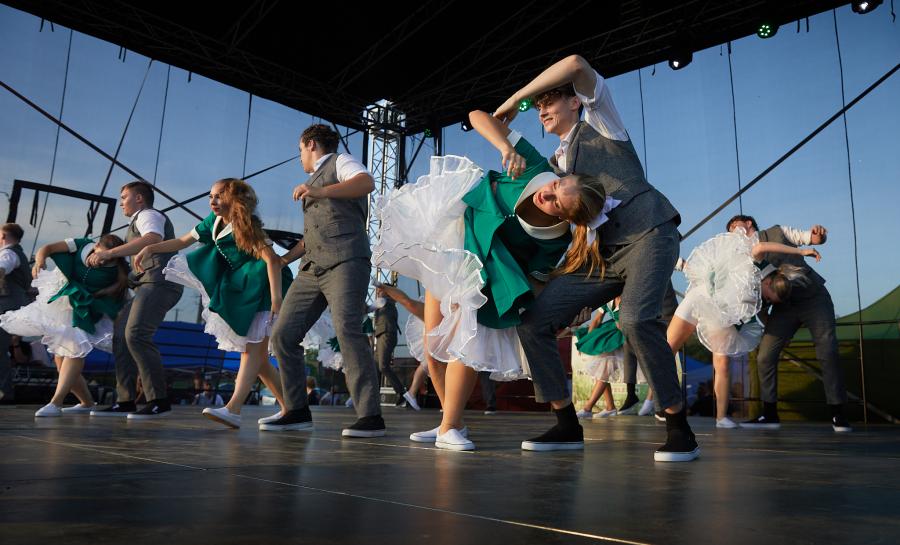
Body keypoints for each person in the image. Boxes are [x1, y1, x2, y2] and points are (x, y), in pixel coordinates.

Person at [494, 54, 696, 461]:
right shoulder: (555, 166)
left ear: (575, 102)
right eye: (538, 107)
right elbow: (485, 120)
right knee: (533, 321)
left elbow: (574, 63)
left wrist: (519, 97)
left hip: (647, 234)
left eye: (550, 102)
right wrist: (504, 140)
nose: (542, 111)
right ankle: (566, 424)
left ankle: (679, 426)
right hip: (602, 255)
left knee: (635, 319)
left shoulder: (602, 124)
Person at [374, 108, 612, 451]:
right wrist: (505, 146)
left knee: (466, 342)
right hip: (456, 240)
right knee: (433, 348)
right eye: (557, 186)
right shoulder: (536, 168)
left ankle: (449, 427)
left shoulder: (556, 239)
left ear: (566, 218)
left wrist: (561, 309)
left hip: (486, 271)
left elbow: (535, 278)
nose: (548, 194)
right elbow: (475, 116)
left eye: (557, 203)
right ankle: (450, 420)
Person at [136, 178, 294, 429]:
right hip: (244, 288)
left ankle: (233, 409)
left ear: (234, 198)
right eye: (211, 196)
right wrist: (151, 248)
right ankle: (293, 409)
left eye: (219, 195)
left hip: (264, 286)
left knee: (251, 351)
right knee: (259, 361)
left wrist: (276, 299)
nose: (213, 200)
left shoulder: (246, 225)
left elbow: (272, 260)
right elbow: (182, 242)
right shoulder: (213, 222)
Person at [263, 124, 384, 437]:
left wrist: (319, 190)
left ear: (311, 144)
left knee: (348, 330)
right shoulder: (313, 181)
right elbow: (314, 235)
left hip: (345, 260)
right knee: (283, 335)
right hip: (311, 267)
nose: (300, 157)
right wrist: (284, 259)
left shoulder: (340, 162)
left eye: (300, 150)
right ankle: (296, 410)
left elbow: (366, 182)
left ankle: (370, 416)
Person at [666, 225, 822, 428]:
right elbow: (762, 246)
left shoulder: (763, 297)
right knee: (667, 349)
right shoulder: (755, 264)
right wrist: (801, 251)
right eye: (768, 297)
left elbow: (759, 315)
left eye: (769, 301)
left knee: (722, 363)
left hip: (721, 318)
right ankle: (664, 403)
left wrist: (779, 335)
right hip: (701, 298)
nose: (766, 301)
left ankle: (721, 417)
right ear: (767, 283)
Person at [725, 215, 851, 432]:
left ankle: (837, 412)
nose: (732, 231)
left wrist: (818, 237)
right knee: (765, 355)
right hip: (783, 308)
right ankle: (770, 414)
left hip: (812, 298)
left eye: (734, 225)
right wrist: (774, 331)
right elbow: (757, 303)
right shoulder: (743, 259)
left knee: (827, 350)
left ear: (748, 223)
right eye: (729, 230)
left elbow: (810, 238)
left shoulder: (778, 232)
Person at [1, 234, 129, 416]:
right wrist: (40, 261)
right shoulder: (81, 245)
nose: (100, 262)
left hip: (88, 311)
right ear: (95, 246)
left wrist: (100, 293)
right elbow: (48, 248)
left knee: (74, 350)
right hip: (64, 303)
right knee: (60, 360)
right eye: (99, 255)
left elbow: (121, 287)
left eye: (106, 260)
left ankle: (56, 403)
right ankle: (87, 402)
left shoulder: (118, 267)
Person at [88, 181, 184, 419]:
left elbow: (153, 238)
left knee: (136, 334)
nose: (121, 202)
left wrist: (109, 253)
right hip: (147, 284)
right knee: (121, 336)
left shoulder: (148, 215)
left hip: (159, 283)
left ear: (139, 198)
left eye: (124, 197)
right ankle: (125, 400)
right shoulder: (137, 221)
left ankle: (158, 400)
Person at [573, 297, 624, 418]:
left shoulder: (628, 299)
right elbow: (596, 320)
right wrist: (587, 341)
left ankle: (588, 408)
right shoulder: (608, 299)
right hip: (611, 334)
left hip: (622, 336)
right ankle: (610, 407)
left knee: (604, 371)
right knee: (602, 370)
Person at [373, 285, 420, 410]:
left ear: (387, 292)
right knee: (376, 367)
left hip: (386, 335)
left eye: (380, 290)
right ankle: (373, 396)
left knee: (383, 366)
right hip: (381, 335)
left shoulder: (386, 302)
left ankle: (401, 393)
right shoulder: (383, 302)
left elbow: (375, 305)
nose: (378, 293)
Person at [0, 223, 31, 402]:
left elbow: (2, 268)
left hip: (5, 306)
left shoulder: (9, 253)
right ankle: (4, 392)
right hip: (12, 305)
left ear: (3, 236)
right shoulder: (17, 253)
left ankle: (4, 392)